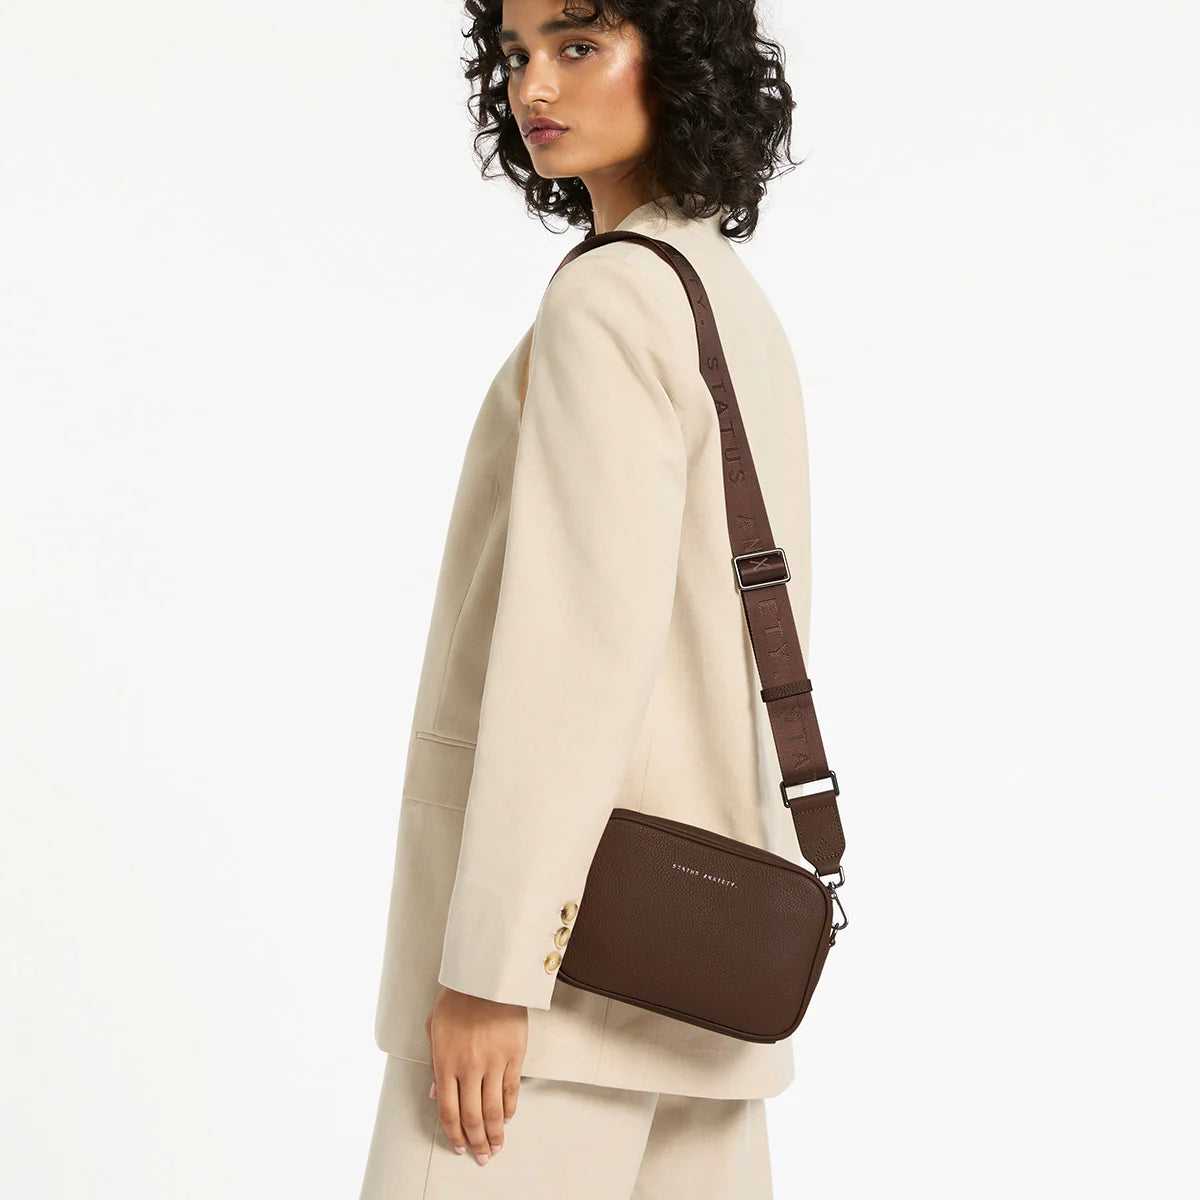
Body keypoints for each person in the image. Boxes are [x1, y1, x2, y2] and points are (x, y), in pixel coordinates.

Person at [360, 1, 815, 1195]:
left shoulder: (608, 300)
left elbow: (575, 656)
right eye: (516, 55)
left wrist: (491, 971)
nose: (534, 88)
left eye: (577, 46)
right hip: (704, 973)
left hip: (561, 993)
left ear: (681, 61)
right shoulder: (721, 295)